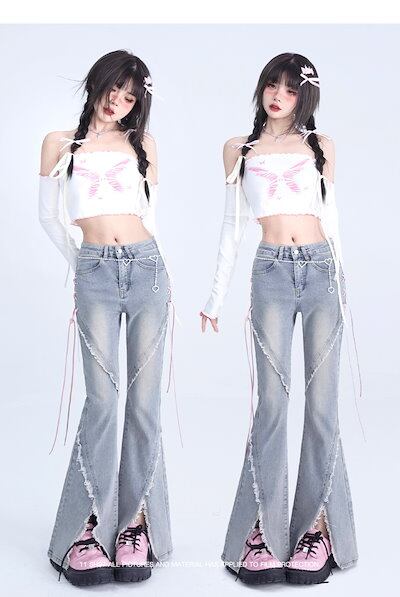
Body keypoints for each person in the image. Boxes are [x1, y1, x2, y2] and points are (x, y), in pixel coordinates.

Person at [200, 53, 360, 585]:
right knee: (272, 405)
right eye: (272, 84)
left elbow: (330, 216)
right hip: (269, 271)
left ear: (304, 96)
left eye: (291, 89)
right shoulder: (239, 149)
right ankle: (263, 531)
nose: (278, 96)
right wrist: (215, 297)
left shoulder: (320, 146)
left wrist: (341, 282)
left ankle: (318, 528)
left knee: (322, 406)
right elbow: (231, 225)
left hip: (320, 271)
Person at [39, 49, 173, 586]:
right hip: (94, 269)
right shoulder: (60, 144)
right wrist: (85, 266)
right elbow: (48, 216)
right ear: (96, 83)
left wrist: (148, 268)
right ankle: (86, 525)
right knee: (102, 401)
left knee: (144, 402)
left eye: (130, 96)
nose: (118, 101)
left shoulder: (144, 146)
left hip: (148, 270)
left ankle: (135, 524)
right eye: (113, 88)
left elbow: (150, 217)